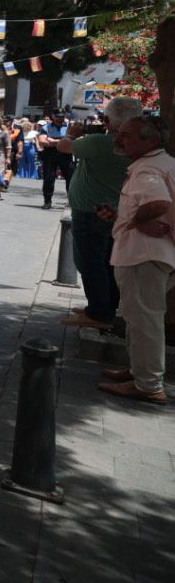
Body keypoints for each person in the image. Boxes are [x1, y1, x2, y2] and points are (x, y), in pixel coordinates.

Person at [101, 115, 175, 405]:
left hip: (144, 254)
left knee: (144, 319)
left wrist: (137, 219)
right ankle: (139, 373)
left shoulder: (148, 169)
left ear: (151, 141)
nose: (119, 139)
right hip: (153, 252)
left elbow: (158, 203)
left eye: (128, 135)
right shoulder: (162, 163)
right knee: (139, 317)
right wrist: (128, 217)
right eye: (121, 133)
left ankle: (147, 384)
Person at [60, 96, 142, 332]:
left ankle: (98, 312)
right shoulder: (136, 146)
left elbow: (63, 147)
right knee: (108, 262)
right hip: (117, 210)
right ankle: (105, 307)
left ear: (108, 120)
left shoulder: (100, 142)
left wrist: (71, 133)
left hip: (91, 211)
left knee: (89, 262)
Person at [35, 109, 74, 210]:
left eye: (61, 116)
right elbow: (42, 141)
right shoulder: (46, 127)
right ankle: (47, 201)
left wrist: (53, 141)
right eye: (57, 117)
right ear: (52, 116)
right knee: (49, 178)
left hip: (66, 154)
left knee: (71, 178)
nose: (59, 119)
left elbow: (74, 140)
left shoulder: (69, 127)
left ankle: (71, 201)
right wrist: (62, 141)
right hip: (50, 155)